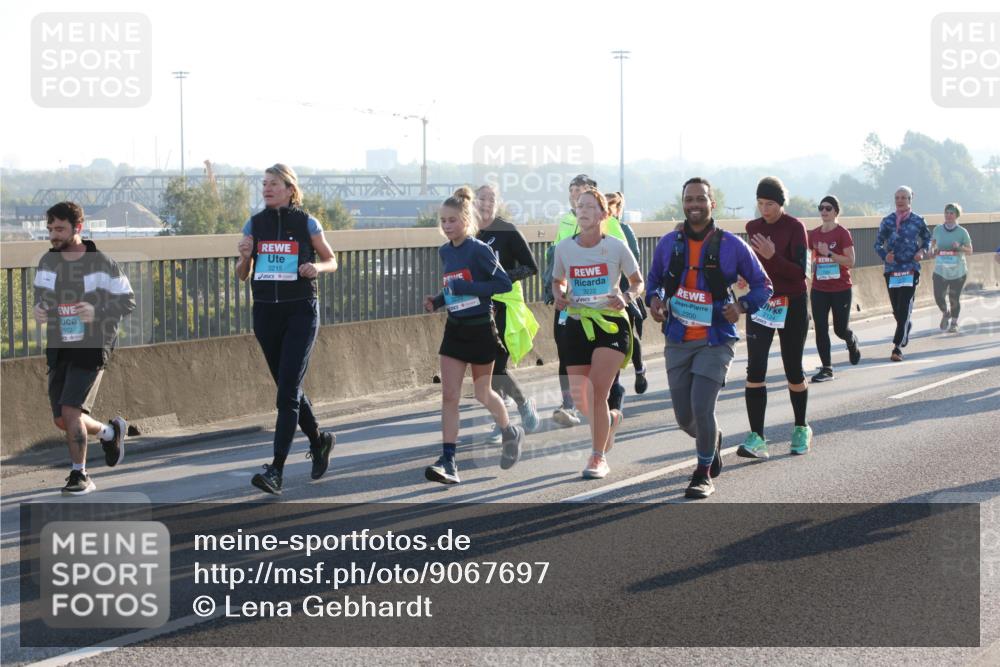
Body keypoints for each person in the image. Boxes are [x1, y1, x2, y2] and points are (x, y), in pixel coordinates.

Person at [647, 178, 772, 498]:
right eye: (689, 199)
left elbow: (763, 285)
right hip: (677, 338)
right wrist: (655, 301)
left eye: (700, 199)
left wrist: (741, 306)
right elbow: (654, 281)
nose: (694, 205)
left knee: (702, 408)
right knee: (684, 418)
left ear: (712, 204)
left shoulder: (732, 245)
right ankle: (711, 438)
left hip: (716, 339)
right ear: (683, 203)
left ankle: (702, 473)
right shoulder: (669, 243)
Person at [237, 164, 339, 495]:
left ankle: (276, 470)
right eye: (264, 184)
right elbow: (242, 274)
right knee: (288, 386)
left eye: (274, 184)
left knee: (286, 394)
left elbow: (332, 260)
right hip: (266, 313)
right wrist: (245, 257)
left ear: (290, 189)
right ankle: (319, 441)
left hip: (300, 311)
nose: (267, 189)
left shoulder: (307, 222)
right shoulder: (254, 224)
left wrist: (316, 267)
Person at [33, 201, 135, 495]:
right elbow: (42, 297)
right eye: (50, 229)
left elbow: (127, 301)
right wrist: (39, 308)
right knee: (61, 419)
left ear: (78, 228)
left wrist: (97, 310)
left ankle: (80, 475)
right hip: (59, 345)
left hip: (92, 344)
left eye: (59, 229)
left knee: (71, 410)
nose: (53, 235)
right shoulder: (48, 262)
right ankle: (110, 433)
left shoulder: (102, 262)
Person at [422, 187, 522, 485]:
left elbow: (503, 284)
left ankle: (509, 432)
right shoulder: (445, 251)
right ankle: (448, 461)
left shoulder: (479, 250)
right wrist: (438, 301)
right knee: (449, 395)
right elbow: (453, 286)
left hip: (480, 328)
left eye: (452, 220)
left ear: (466, 220)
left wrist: (469, 289)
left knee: (482, 393)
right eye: (443, 220)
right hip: (455, 329)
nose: (447, 225)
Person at [551, 189, 643, 479]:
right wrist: (559, 295)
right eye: (580, 206)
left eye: (590, 206)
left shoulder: (616, 246)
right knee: (582, 400)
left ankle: (597, 457)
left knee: (597, 391)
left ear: (604, 214)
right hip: (577, 322)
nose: (583, 210)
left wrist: (626, 297)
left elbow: (637, 282)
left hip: (611, 324)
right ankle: (611, 420)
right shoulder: (564, 248)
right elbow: (557, 280)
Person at [737, 176, 813, 460]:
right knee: (755, 368)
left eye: (770, 204)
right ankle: (757, 438)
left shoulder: (795, 227)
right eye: (760, 203)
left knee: (793, 367)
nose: (764, 209)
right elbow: (753, 265)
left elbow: (800, 273)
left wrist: (773, 256)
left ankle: (801, 427)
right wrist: (744, 275)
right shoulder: (752, 227)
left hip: (792, 302)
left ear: (781, 203)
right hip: (762, 302)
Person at [474, 184, 541, 443]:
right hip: (479, 304)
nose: (486, 203)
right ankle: (506, 416)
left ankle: (518, 409)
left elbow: (531, 267)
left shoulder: (507, 231)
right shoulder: (470, 232)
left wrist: (502, 277)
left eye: (491, 199)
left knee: (498, 366)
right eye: (481, 198)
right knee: (486, 368)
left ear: (497, 202)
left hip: (506, 303)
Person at [543, 174, 596, 427]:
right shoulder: (565, 220)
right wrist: (555, 290)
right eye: (572, 191)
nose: (575, 195)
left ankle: (605, 399)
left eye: (580, 190)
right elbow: (557, 259)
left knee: (595, 354)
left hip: (597, 304)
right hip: (567, 302)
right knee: (564, 348)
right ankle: (568, 404)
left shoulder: (609, 223)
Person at [874, 186, 931, 361]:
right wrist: (885, 255)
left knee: (904, 306)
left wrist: (922, 251)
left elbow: (927, 239)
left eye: (904, 198)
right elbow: (877, 244)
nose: (900, 201)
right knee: (897, 310)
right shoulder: (888, 221)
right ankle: (905, 325)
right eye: (897, 197)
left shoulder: (918, 220)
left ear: (910, 200)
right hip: (892, 270)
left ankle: (897, 348)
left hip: (910, 268)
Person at [808, 195, 861, 382]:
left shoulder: (842, 233)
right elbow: (808, 260)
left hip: (841, 288)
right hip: (819, 288)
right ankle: (827, 368)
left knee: (840, 329)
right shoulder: (813, 234)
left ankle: (851, 340)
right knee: (820, 328)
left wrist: (829, 253)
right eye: (821, 208)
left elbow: (851, 261)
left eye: (828, 208)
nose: (824, 211)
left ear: (836, 212)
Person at [607, 191, 649, 396]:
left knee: (628, 333)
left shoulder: (624, 229)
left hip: (625, 288)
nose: (605, 209)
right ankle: (613, 383)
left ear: (618, 210)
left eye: (610, 206)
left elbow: (634, 256)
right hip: (604, 292)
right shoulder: (593, 232)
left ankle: (639, 369)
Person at [930, 202, 974, 333]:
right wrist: (932, 251)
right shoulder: (938, 229)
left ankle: (954, 323)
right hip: (940, 270)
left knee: (954, 298)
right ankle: (946, 312)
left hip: (958, 271)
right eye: (947, 213)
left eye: (951, 213)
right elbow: (932, 246)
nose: (948, 215)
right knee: (938, 296)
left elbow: (970, 251)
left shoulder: (962, 232)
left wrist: (959, 247)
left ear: (956, 215)